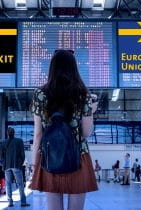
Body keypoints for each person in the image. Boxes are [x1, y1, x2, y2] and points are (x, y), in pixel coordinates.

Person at [29, 49, 98, 210]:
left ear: (52, 68)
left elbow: (38, 133)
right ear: (74, 68)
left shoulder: (40, 94)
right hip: (78, 156)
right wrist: (90, 112)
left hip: (50, 155)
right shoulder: (83, 94)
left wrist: (35, 163)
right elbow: (86, 132)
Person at [1, 127, 30, 208]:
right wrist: (20, 164)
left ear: (7, 133)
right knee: (20, 184)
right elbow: (22, 154)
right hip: (16, 165)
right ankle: (23, 202)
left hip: (7, 167)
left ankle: (10, 202)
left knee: (8, 184)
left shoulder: (3, 142)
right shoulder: (19, 141)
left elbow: (1, 156)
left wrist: (5, 164)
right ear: (14, 133)